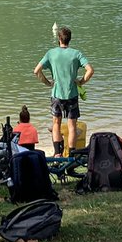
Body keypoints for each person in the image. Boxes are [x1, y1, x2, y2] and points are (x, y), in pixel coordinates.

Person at [34, 26, 93, 157]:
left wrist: (48, 83)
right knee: (72, 126)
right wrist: (81, 82)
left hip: (56, 94)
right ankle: (71, 155)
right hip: (72, 94)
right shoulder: (76, 53)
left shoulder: (51, 53)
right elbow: (90, 70)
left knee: (56, 124)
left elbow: (36, 71)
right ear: (69, 39)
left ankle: (57, 153)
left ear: (59, 38)